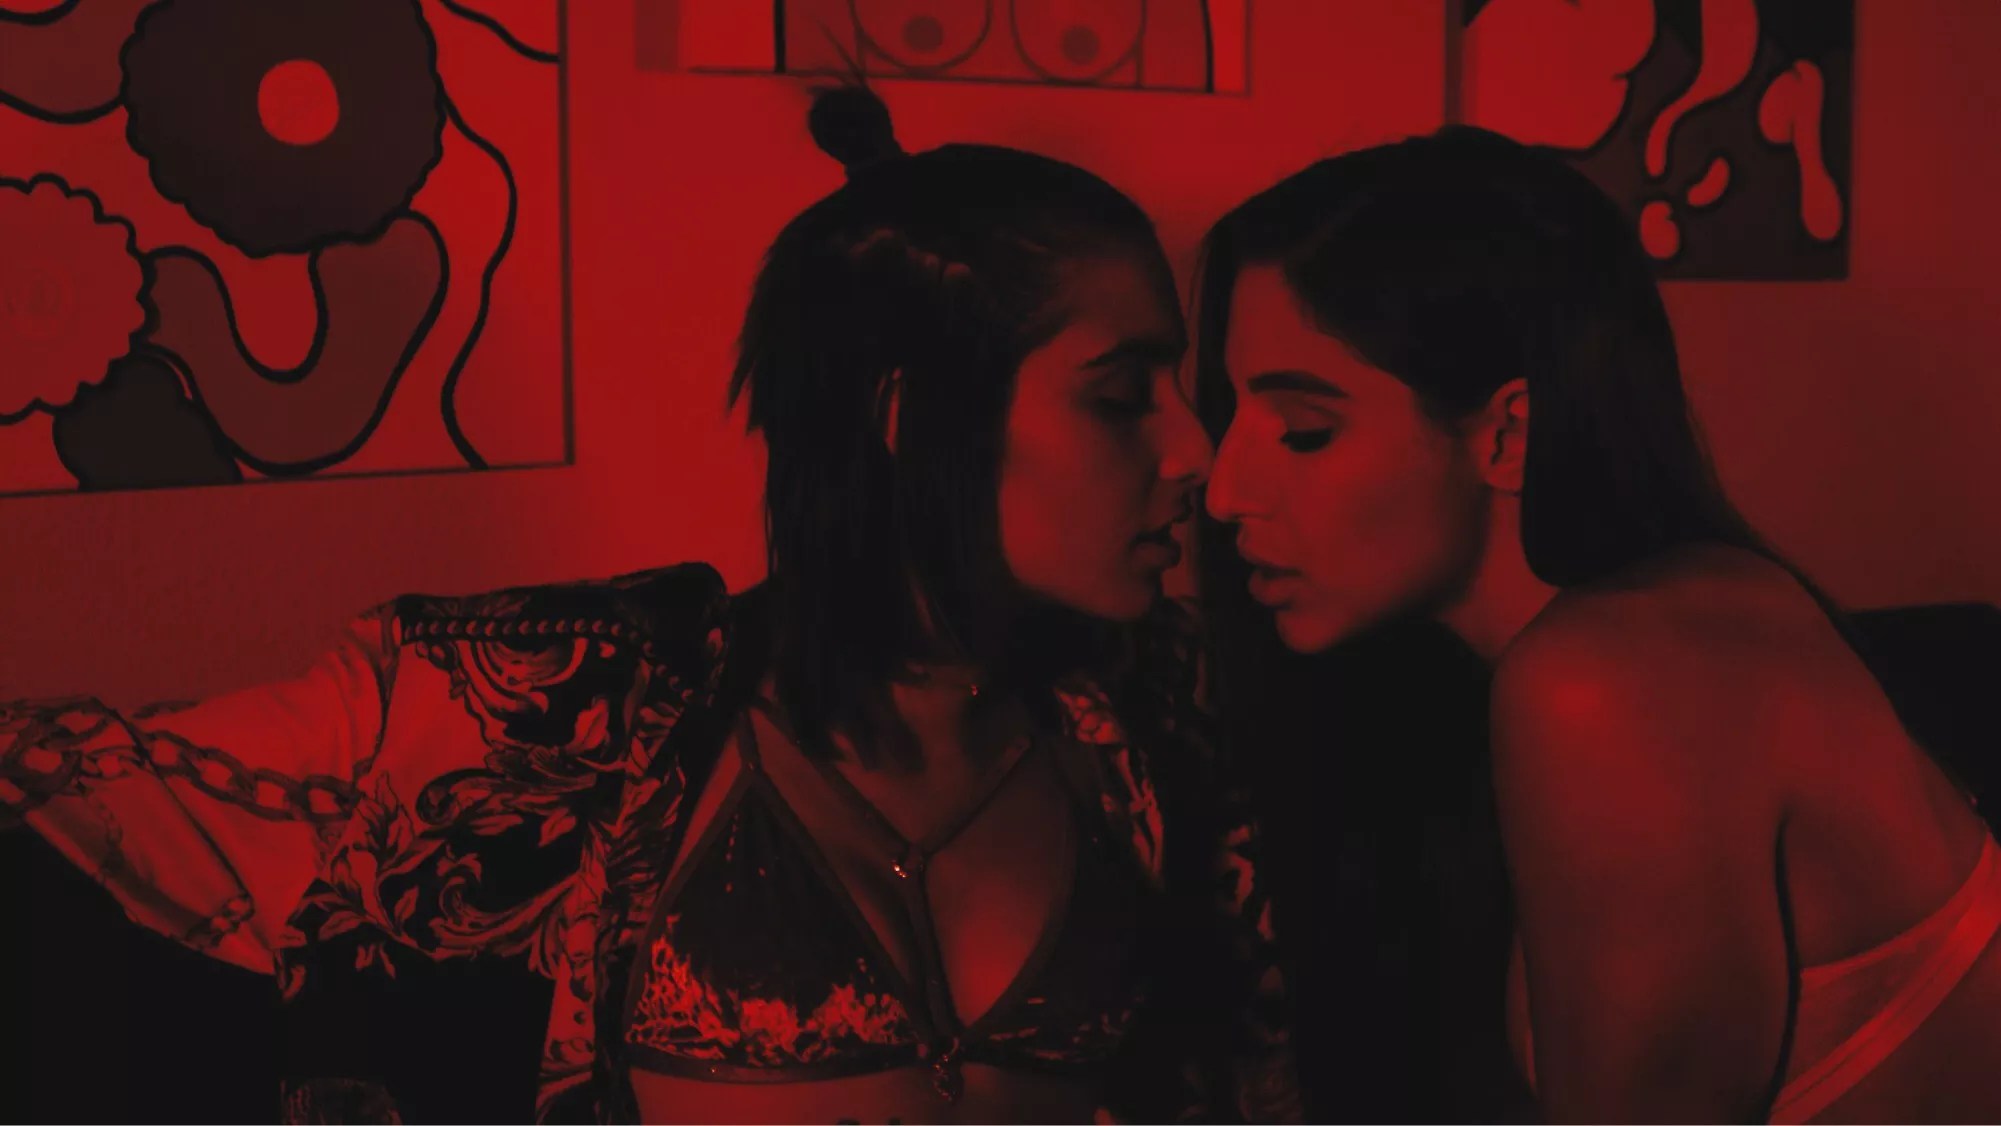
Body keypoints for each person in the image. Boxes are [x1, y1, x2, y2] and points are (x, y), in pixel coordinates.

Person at [2, 86, 1297, 1124]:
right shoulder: (551, 701)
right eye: (1121, 396)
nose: (1195, 451)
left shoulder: (1143, 718)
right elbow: (76, 797)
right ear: (906, 417)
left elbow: (1245, 1067)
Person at [1194, 125, 2001, 1122]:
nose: (1224, 492)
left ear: (1508, 433)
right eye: (1230, 414)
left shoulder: (1610, 683)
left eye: (1303, 431)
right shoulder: (1658, 614)